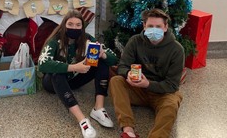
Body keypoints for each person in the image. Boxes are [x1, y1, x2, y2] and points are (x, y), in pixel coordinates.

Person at [38, 9, 118, 138]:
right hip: (52, 84)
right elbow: (42, 64)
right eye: (70, 24)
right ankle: (82, 120)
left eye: (78, 25)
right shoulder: (55, 39)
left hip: (74, 81)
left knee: (102, 62)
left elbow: (114, 59)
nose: (74, 28)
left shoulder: (87, 39)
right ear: (64, 25)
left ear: (82, 27)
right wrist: (74, 67)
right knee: (57, 74)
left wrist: (102, 54)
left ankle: (98, 108)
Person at [109, 8, 184, 138]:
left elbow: (172, 85)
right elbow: (122, 66)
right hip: (137, 89)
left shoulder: (176, 49)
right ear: (144, 26)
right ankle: (128, 131)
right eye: (150, 26)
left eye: (158, 26)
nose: (154, 29)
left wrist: (147, 84)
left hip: (162, 93)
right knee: (116, 81)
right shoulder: (135, 41)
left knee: (172, 104)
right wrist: (129, 75)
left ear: (166, 27)